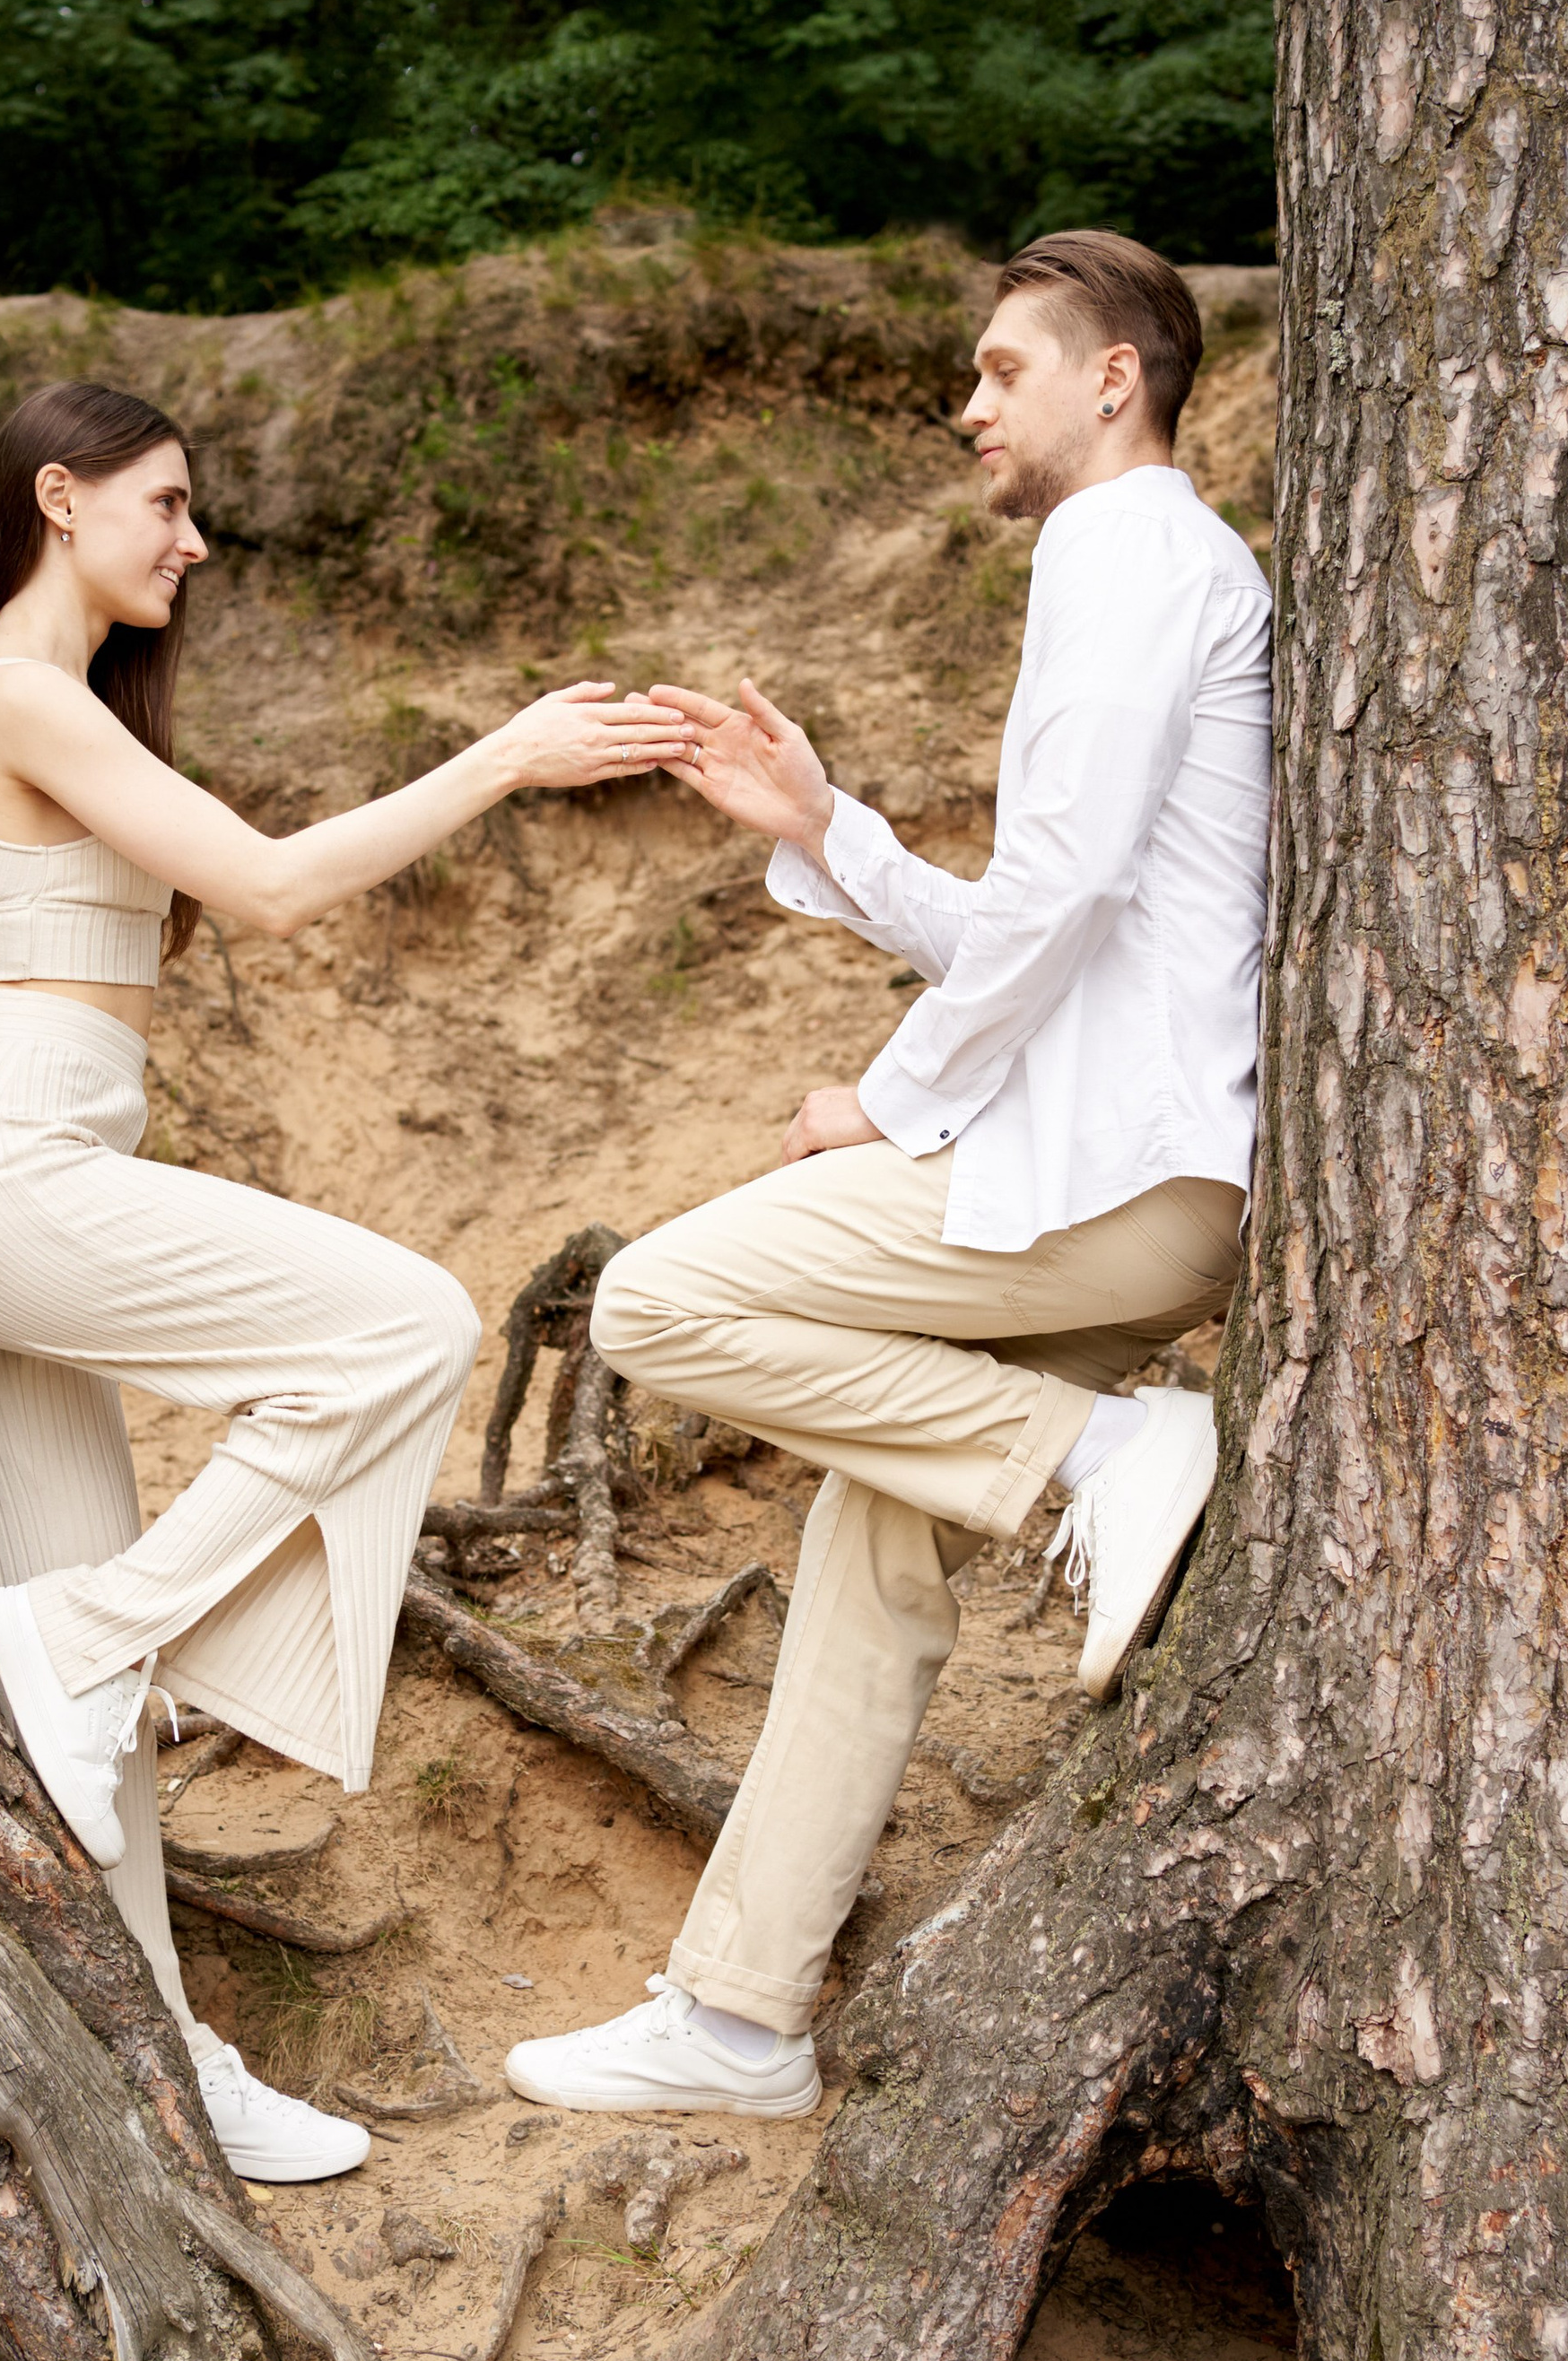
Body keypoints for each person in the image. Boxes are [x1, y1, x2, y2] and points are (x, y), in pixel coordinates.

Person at [503, 230, 1271, 2121]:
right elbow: (1067, 911)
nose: (968, 402)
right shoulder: (1154, 568)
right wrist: (825, 829)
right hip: (1133, 1174)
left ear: (1114, 378)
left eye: (1002, 368)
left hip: (1119, 1176)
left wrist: (889, 1099)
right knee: (870, 1527)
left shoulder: (1126, 549)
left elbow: (1064, 892)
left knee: (657, 1299)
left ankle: (1107, 1458)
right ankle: (742, 2012)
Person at [0, 379, 696, 2181]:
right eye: (163, 503)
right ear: (57, 498)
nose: (192, 539)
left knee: (68, 1735)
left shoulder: (50, 703)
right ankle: (103, 1646)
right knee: (402, 1324)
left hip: (5, 1178)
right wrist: (502, 757)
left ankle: (155, 2067)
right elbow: (264, 889)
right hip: (4, 1165)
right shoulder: (19, 691)